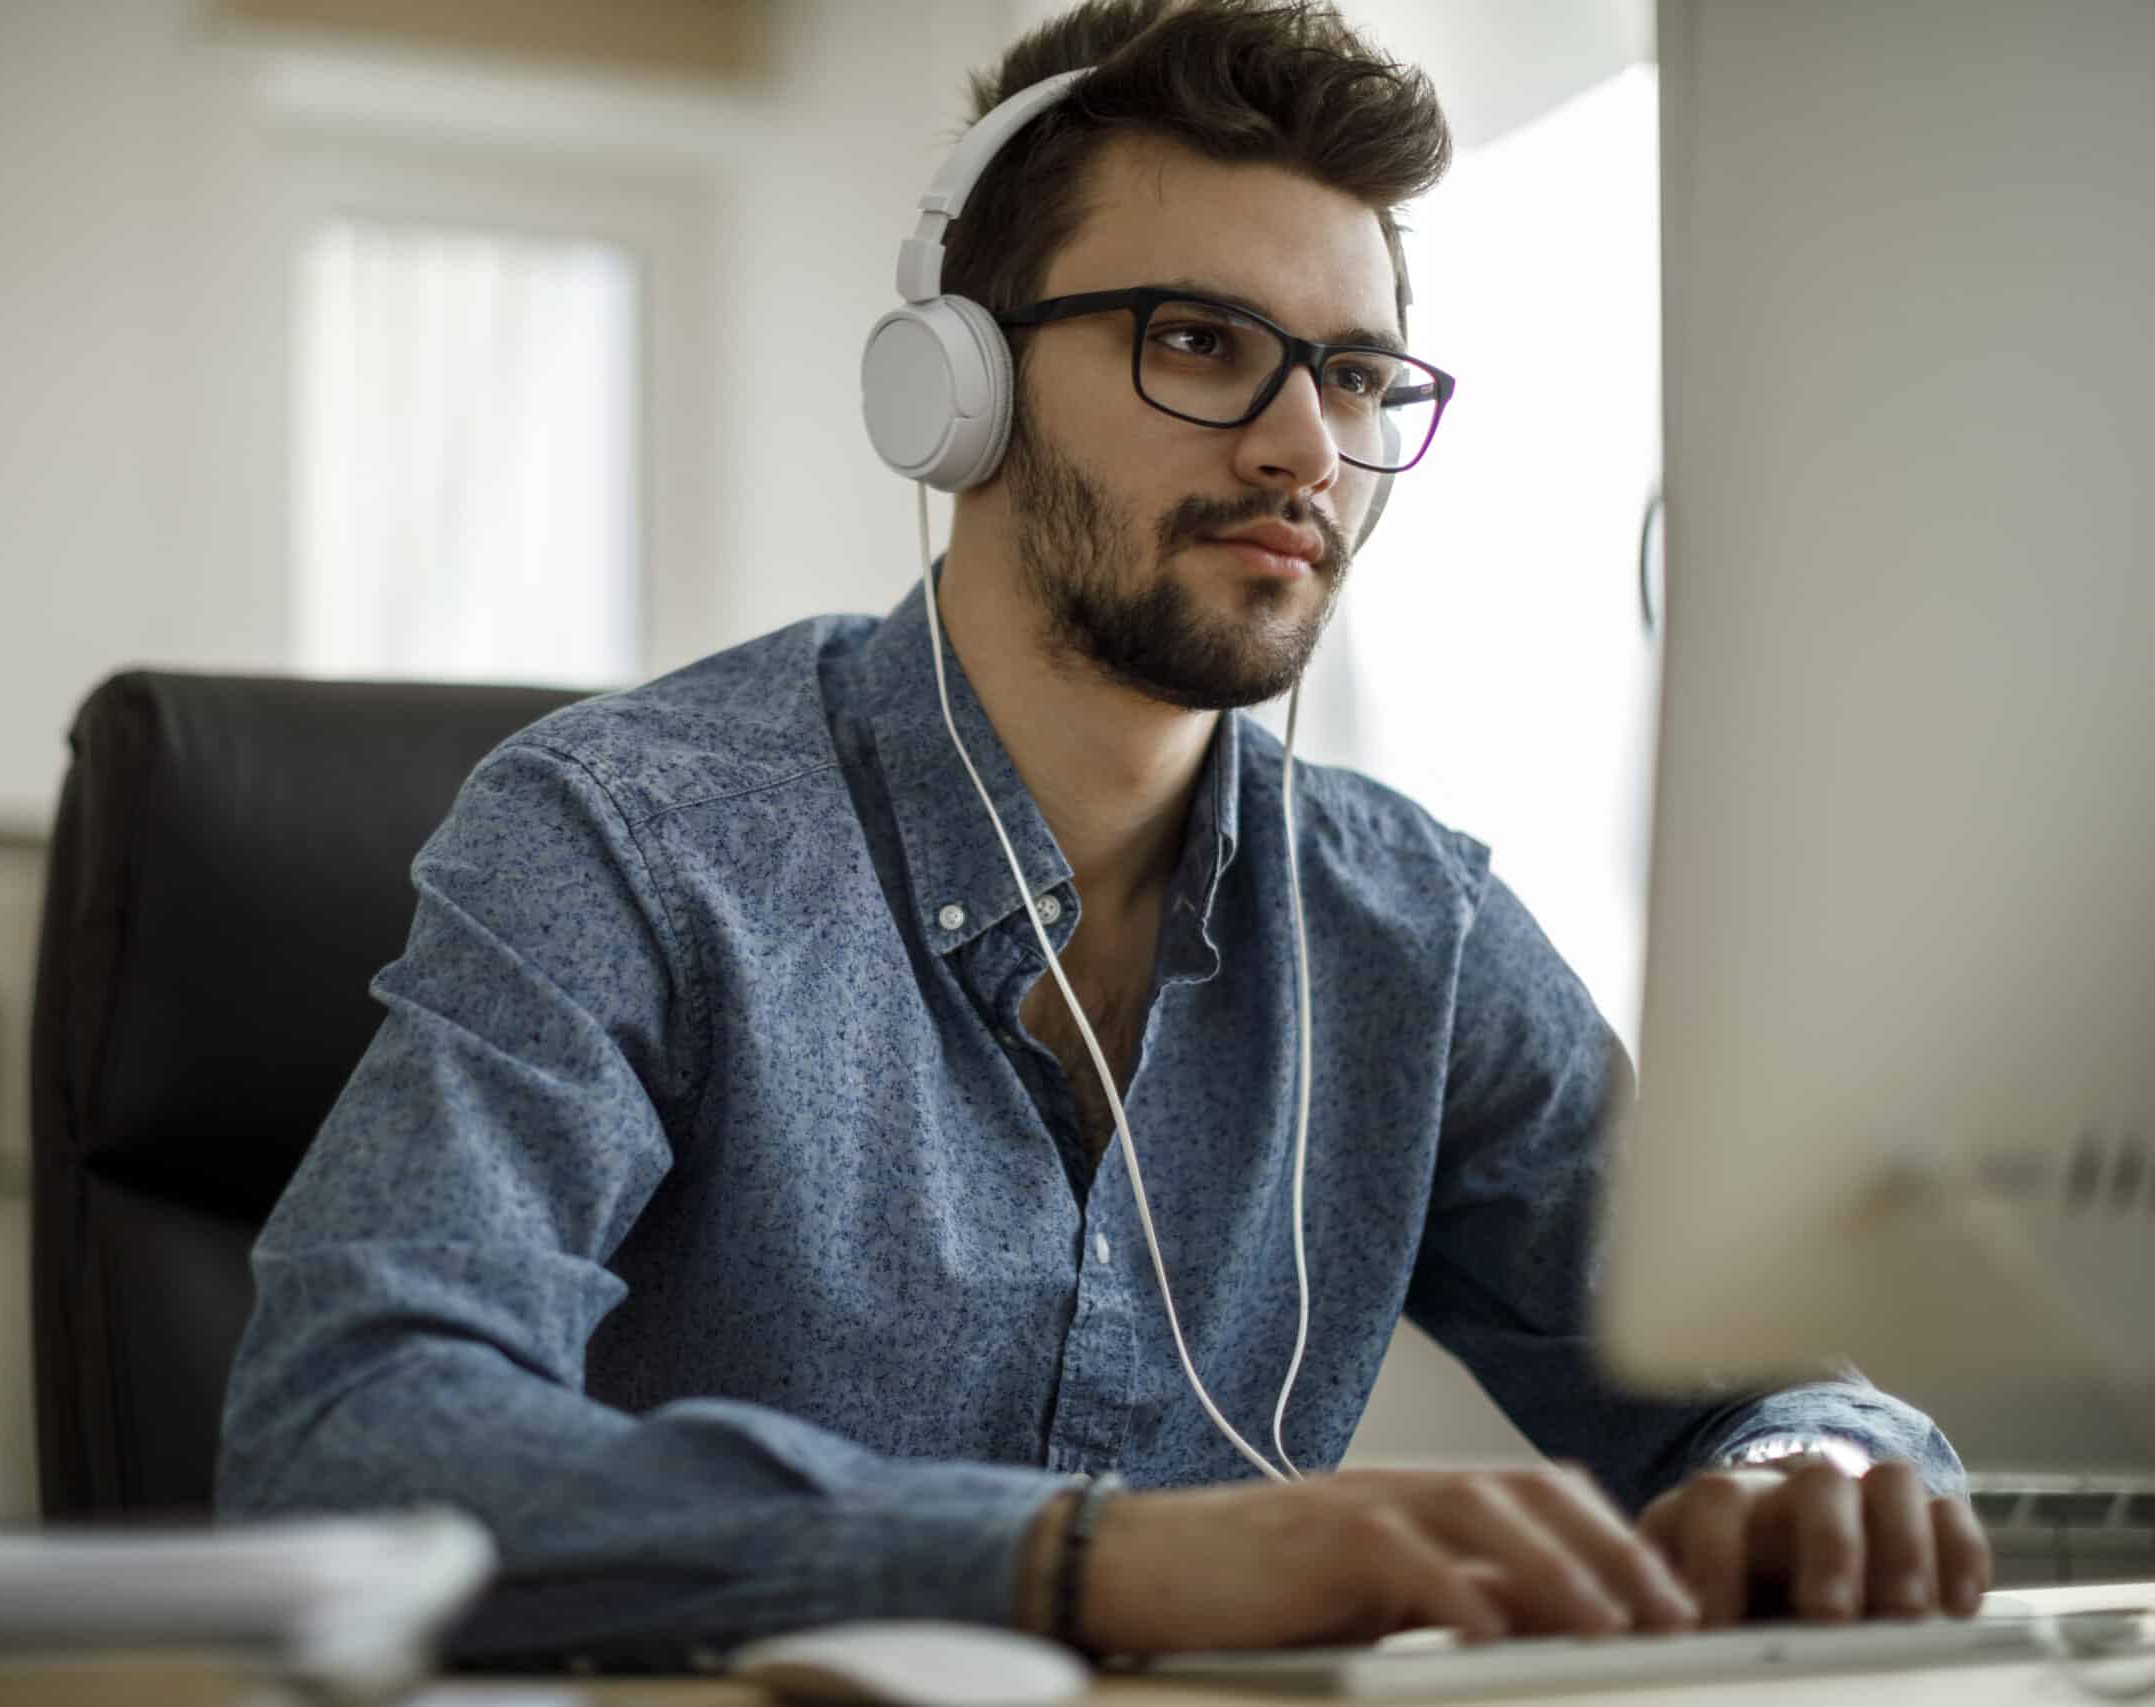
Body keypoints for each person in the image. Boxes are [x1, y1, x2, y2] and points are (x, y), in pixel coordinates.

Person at [217, 0, 1990, 1667]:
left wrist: (1804, 1482)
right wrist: (1084, 1558)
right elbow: (344, 1429)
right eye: (1202, 342)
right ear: (956, 389)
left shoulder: (1411, 929)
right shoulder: (627, 837)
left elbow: (1770, 1390)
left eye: (1361, 376)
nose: (1309, 445)